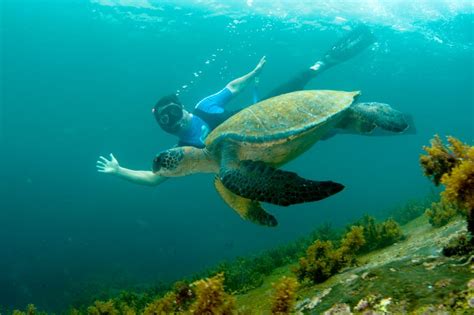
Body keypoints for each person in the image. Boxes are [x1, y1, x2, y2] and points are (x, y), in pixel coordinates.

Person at [97, 25, 376, 186]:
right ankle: (360, 118)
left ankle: (321, 64)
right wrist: (120, 171)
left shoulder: (204, 106)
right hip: (264, 148)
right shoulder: (186, 150)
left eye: (173, 112)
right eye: (166, 121)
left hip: (264, 117)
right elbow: (155, 178)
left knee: (288, 89)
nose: (174, 120)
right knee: (330, 129)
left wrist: (253, 74)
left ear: (181, 106)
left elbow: (232, 87)